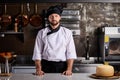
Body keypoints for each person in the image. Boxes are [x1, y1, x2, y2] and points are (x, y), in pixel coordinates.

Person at [32, 5, 77, 76]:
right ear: (48, 18)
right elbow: (37, 52)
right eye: (51, 16)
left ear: (60, 17)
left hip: (62, 67)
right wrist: (38, 69)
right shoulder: (41, 32)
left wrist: (69, 69)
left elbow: (70, 53)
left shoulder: (67, 32)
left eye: (56, 16)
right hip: (46, 66)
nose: (54, 18)